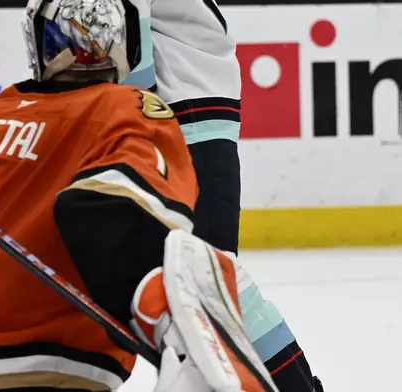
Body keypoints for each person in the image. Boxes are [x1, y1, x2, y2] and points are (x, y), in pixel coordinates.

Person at [0, 0, 276, 391]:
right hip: (30, 363)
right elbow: (103, 212)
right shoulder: (124, 108)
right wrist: (162, 319)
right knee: (216, 283)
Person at [121, 0, 322, 390]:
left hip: (181, 109)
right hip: (188, 105)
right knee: (209, 284)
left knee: (213, 282)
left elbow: (130, 53)